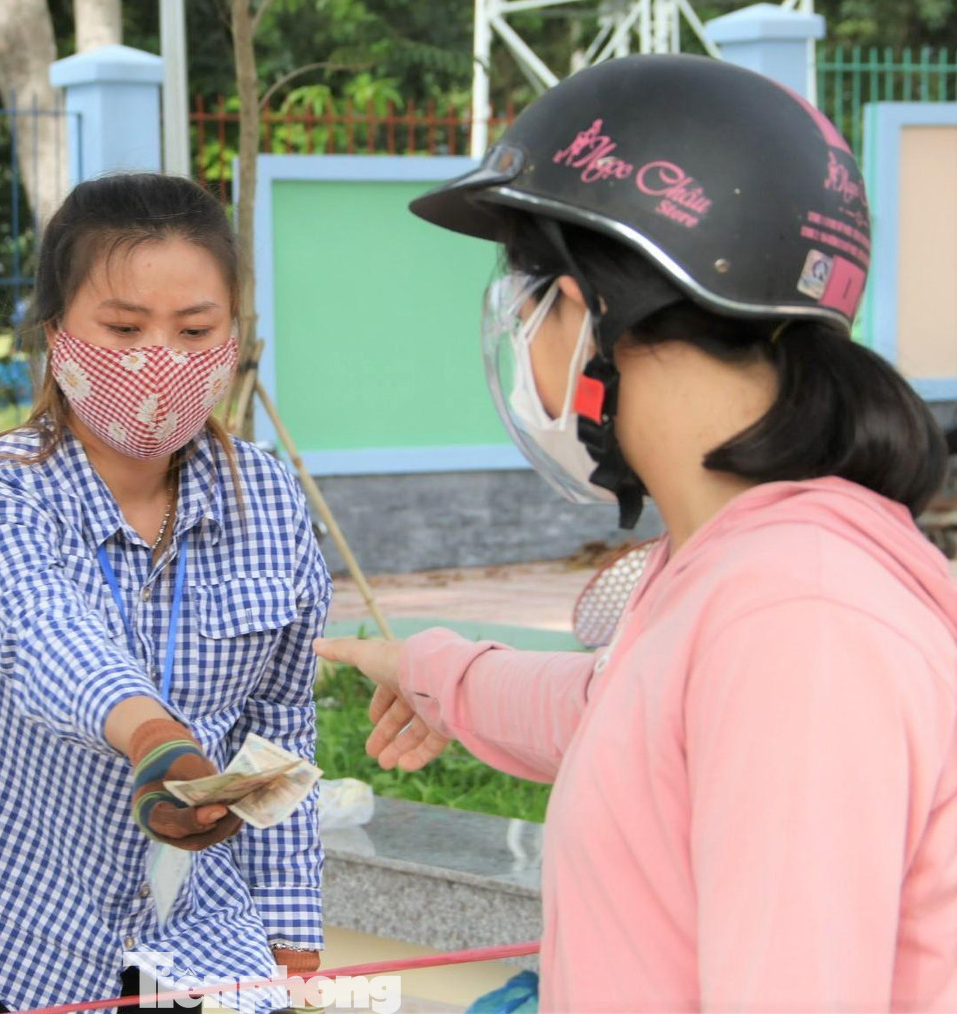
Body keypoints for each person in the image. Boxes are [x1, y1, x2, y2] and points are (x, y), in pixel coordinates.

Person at [317, 55, 957, 1012]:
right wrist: (418, 666)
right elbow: (601, 709)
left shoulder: (797, 621)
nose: (524, 346)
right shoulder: (731, 572)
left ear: (587, 311)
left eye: (528, 304)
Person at [0, 173, 329, 1014]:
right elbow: (46, 636)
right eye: (125, 327)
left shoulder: (270, 502)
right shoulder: (3, 495)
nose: (160, 359)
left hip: (175, 937)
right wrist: (155, 739)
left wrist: (291, 949)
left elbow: (279, 735)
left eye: (195, 328)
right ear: (58, 335)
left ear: (232, 335)